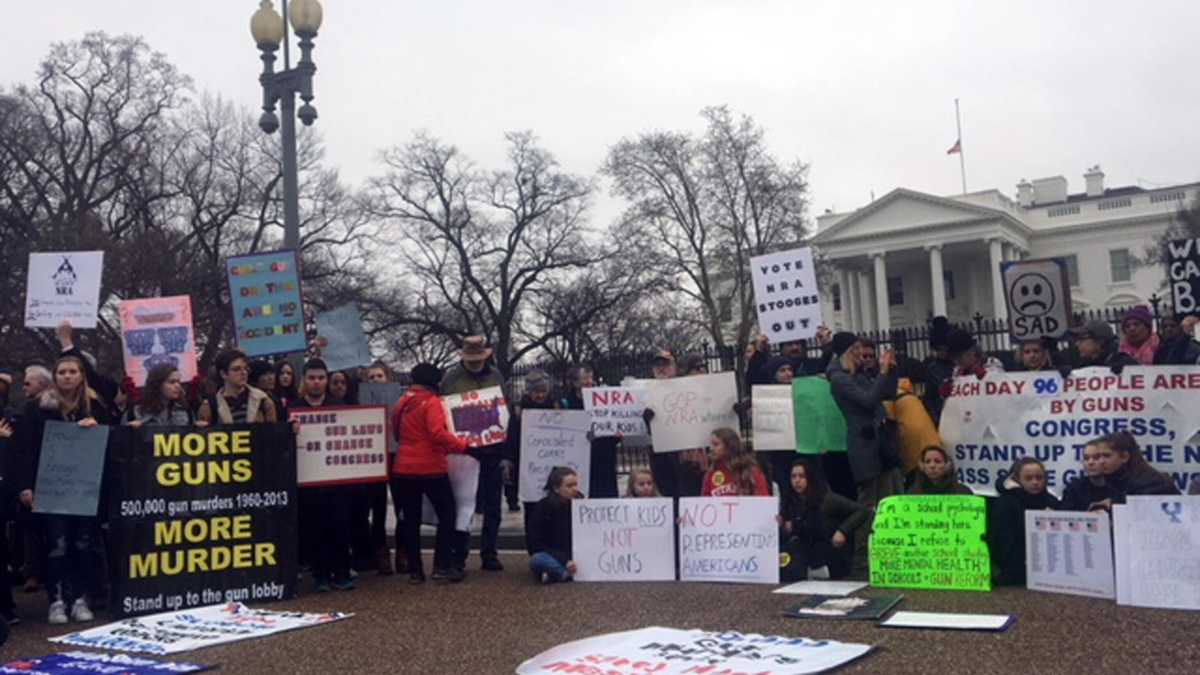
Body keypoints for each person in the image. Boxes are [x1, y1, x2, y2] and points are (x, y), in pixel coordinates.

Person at [14, 355, 114, 624]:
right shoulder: (37, 409)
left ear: (81, 375)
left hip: (85, 489)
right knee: (57, 546)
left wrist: (97, 428)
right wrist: (25, 486)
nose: (67, 376)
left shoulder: (95, 406)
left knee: (83, 544)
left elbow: (110, 442)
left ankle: (81, 598)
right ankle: (57, 600)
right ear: (55, 376)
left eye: (72, 372)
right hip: (51, 487)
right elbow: (24, 449)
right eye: (62, 372)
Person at [827, 331, 901, 576]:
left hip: (880, 443)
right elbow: (869, 401)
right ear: (849, 350)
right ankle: (861, 563)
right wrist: (880, 373)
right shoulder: (839, 378)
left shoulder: (857, 374)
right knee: (867, 505)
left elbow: (888, 393)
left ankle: (886, 555)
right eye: (857, 349)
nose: (862, 354)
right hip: (863, 445)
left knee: (888, 501)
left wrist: (891, 370)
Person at [392, 363, 468, 584]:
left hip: (404, 467)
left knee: (410, 520)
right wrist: (462, 446)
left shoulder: (401, 402)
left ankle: (416, 570)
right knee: (447, 515)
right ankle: (441, 565)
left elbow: (396, 432)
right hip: (431, 466)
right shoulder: (432, 402)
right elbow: (437, 433)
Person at [440, 335, 509, 572]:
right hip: (464, 450)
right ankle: (459, 555)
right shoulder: (450, 378)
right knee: (464, 505)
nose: (475, 363)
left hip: (492, 448)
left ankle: (489, 552)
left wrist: (504, 452)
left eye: (478, 358)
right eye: (471, 359)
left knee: (493, 504)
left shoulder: (496, 375)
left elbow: (504, 409)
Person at [291, 358, 355, 592]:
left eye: (320, 378)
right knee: (314, 529)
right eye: (311, 378)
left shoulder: (340, 406)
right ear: (304, 380)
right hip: (308, 480)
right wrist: (290, 432)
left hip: (336, 481)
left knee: (340, 526)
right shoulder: (293, 408)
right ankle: (320, 576)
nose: (316, 383)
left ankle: (342, 573)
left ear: (326, 380)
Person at [778, 458, 866, 581]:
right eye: (793, 477)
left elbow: (861, 510)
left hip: (828, 556)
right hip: (803, 560)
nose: (797, 480)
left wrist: (843, 531)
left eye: (801, 476)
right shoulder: (790, 501)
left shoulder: (826, 499)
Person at [990, 458, 1060, 586]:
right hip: (1013, 567)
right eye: (1028, 478)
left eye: (1039, 477)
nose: (1035, 482)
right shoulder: (1005, 503)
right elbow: (1002, 541)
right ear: (1017, 480)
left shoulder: (1051, 501)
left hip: (1048, 568)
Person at [508, 370, 558, 552]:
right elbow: (512, 438)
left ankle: (552, 547)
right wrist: (509, 461)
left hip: (551, 464)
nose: (540, 395)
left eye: (543, 391)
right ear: (528, 392)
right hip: (529, 467)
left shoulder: (557, 406)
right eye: (536, 391)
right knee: (532, 510)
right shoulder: (518, 411)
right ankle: (534, 549)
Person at [560, 365, 620, 498]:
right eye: (585, 378)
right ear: (575, 382)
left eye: (591, 377)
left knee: (606, 495)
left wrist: (617, 436)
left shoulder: (604, 399)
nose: (590, 381)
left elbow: (613, 426)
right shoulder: (566, 403)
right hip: (581, 458)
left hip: (604, 456)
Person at [528, 467, 581, 584]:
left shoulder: (581, 505)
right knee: (537, 560)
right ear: (556, 488)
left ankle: (557, 574)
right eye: (569, 486)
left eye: (576, 485)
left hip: (576, 556)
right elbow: (535, 544)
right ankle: (564, 574)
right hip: (554, 556)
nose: (575, 489)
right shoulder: (543, 507)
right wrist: (564, 560)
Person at [197, 350, 278, 425]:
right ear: (223, 374)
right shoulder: (210, 405)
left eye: (246, 369)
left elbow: (273, 434)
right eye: (236, 369)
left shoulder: (263, 400)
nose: (243, 373)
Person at [1101, 432, 1179, 501]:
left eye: (1106, 456)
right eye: (1098, 456)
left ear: (1124, 457)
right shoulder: (1113, 479)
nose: (1100, 461)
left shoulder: (1153, 484)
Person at [645, 350, 681, 498]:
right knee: (666, 492)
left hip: (682, 453)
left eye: (666, 364)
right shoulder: (643, 391)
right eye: (657, 365)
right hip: (658, 453)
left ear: (674, 367)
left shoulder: (688, 388)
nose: (661, 368)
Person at [701, 428, 770, 497]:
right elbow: (705, 501)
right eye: (711, 445)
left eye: (716, 444)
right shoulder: (711, 473)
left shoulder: (751, 471)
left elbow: (763, 498)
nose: (711, 448)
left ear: (729, 446)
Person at [1060, 440, 1124, 511]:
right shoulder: (1074, 489)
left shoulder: (1120, 487)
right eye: (1086, 458)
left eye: (1096, 458)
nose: (1090, 462)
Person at [124, 365, 193, 427]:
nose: (177, 386)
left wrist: (199, 428)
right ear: (157, 384)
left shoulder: (185, 409)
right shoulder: (135, 411)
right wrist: (131, 431)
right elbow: (121, 437)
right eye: (172, 382)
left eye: (179, 382)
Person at [1068, 321, 1138, 373]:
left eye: (1081, 339)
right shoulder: (1081, 364)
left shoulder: (1123, 361)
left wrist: (1128, 370)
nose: (1077, 344)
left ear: (1099, 341)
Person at [922, 317, 956, 425]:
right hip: (942, 416)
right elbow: (929, 397)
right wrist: (935, 417)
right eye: (938, 349)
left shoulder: (958, 365)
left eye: (943, 349)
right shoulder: (932, 369)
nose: (941, 352)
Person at [908, 446, 974, 495]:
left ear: (947, 465)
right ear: (922, 466)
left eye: (937, 461)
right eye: (927, 462)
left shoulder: (963, 492)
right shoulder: (913, 493)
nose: (932, 466)